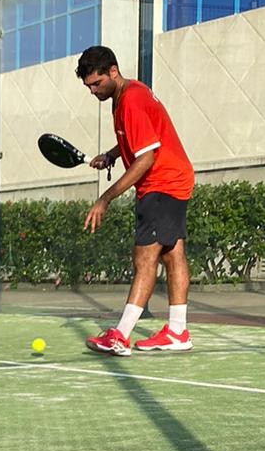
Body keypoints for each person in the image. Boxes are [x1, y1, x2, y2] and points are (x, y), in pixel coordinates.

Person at [76, 45, 195, 355]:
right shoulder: (127, 95)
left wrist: (105, 199)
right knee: (172, 253)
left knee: (144, 257)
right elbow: (139, 136)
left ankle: (120, 335)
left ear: (113, 71)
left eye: (97, 83)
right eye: (88, 86)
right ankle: (177, 332)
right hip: (176, 178)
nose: (93, 91)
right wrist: (112, 154)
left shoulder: (131, 100)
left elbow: (146, 158)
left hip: (162, 182)